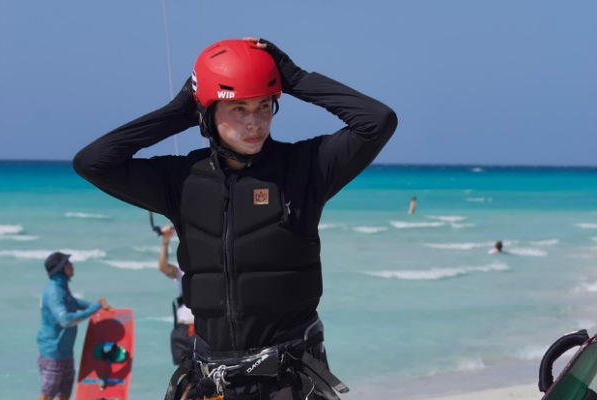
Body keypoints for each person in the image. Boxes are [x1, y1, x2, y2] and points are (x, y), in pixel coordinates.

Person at [73, 37, 397, 400]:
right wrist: (182, 109)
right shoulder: (181, 180)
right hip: (211, 381)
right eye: (238, 108)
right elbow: (93, 162)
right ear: (209, 113)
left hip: (288, 382)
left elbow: (377, 121)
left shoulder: (305, 169)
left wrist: (296, 78)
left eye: (264, 106)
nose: (254, 123)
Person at [37, 252, 112, 400]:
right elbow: (65, 320)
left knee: (65, 394)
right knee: (47, 395)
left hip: (65, 352)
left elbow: (72, 302)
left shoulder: (62, 287)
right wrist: (92, 310)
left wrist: (96, 306)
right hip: (53, 353)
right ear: (60, 269)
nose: (72, 265)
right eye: (68, 263)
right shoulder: (54, 292)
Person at [158, 225, 195, 365]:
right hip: (183, 329)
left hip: (203, 328)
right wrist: (165, 242)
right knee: (183, 371)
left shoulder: (210, 269)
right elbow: (163, 267)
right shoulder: (182, 270)